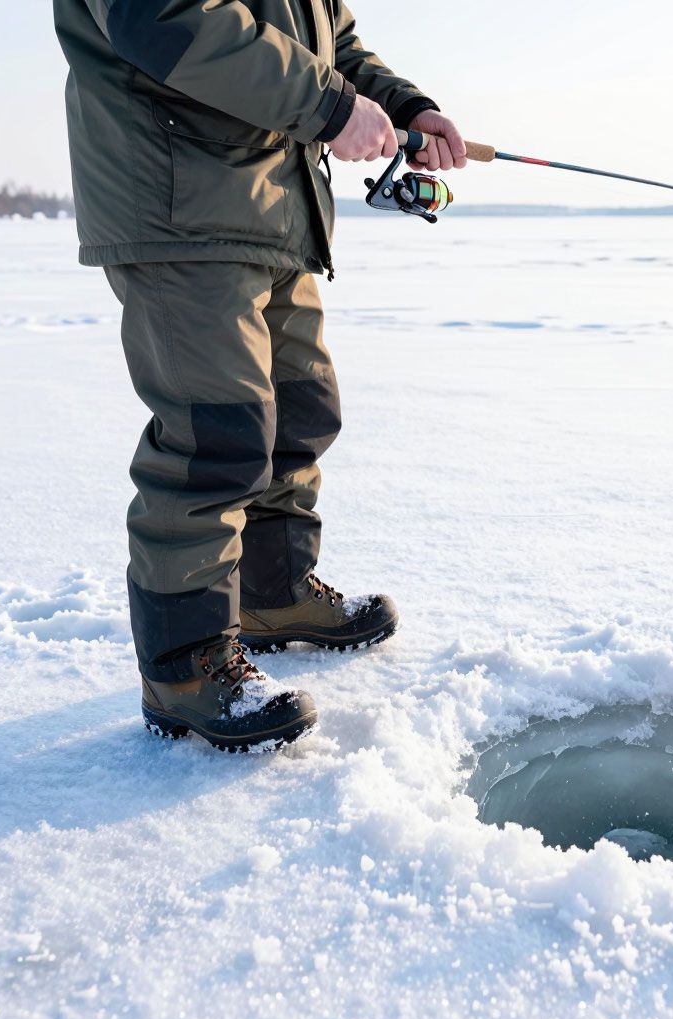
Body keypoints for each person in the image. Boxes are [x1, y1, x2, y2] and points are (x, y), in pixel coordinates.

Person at [53, 0, 467, 750]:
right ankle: (184, 667)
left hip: (276, 207)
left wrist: (404, 107)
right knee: (215, 435)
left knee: (301, 410)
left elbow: (328, 38)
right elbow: (164, 18)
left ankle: (272, 595)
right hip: (178, 202)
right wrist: (331, 107)